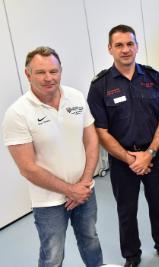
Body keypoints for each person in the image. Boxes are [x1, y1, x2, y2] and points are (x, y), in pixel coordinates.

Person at [87, 25, 159, 267]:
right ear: (110, 49)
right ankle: (132, 256)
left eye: (130, 44)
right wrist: (131, 160)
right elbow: (101, 131)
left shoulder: (152, 77)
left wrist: (149, 154)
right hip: (122, 161)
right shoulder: (100, 86)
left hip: (154, 156)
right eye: (119, 45)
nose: (125, 49)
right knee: (126, 212)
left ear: (137, 46)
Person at [2, 46, 103, 267]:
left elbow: (91, 140)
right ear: (28, 74)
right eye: (40, 72)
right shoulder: (17, 113)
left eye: (53, 71)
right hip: (48, 202)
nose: (49, 78)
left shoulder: (75, 97)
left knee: (91, 240)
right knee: (53, 255)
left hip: (85, 190)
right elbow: (27, 168)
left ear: (60, 71)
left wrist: (84, 183)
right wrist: (70, 190)